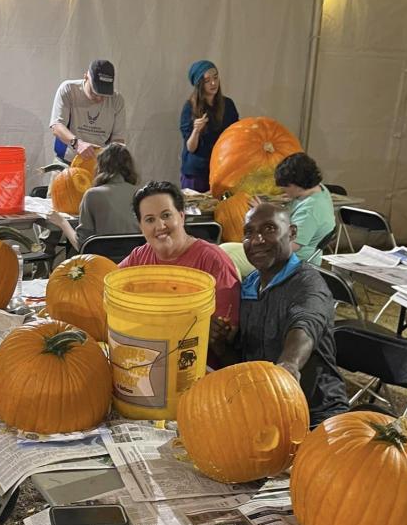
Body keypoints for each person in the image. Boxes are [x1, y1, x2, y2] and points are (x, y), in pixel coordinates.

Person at [211, 203, 348, 426]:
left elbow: (305, 324)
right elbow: (247, 365)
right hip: (263, 411)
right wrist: (221, 345)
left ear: (291, 232)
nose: (256, 240)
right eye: (249, 232)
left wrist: (289, 364)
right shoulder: (249, 286)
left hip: (314, 415)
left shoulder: (309, 284)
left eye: (269, 229)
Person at [120, 182, 241, 345]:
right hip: (143, 353)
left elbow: (226, 334)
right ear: (141, 227)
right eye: (150, 220)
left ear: (182, 216)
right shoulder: (138, 258)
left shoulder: (214, 260)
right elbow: (104, 287)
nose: (160, 226)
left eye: (166, 215)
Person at [46, 142, 140, 250]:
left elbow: (82, 246)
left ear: (100, 166)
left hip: (103, 262)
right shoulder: (140, 194)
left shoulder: (92, 195)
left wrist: (62, 222)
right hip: (137, 262)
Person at [179, 60, 239, 193]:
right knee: (196, 211)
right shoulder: (190, 108)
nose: (213, 83)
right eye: (207, 80)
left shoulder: (228, 104)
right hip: (197, 173)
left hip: (222, 170)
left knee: (222, 209)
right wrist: (196, 131)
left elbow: (236, 136)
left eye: (216, 77)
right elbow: (191, 147)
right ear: (199, 84)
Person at [50, 59, 126, 163]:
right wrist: (77, 144)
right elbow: (57, 126)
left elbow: (118, 139)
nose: (99, 98)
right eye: (95, 92)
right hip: (67, 162)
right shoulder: (68, 90)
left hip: (98, 165)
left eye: (104, 95)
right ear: (86, 77)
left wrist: (112, 161)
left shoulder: (117, 100)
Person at [273, 152, 336, 265]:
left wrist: (265, 218)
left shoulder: (310, 211)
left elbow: (290, 247)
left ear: (297, 185)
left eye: (286, 186)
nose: (283, 189)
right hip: (284, 251)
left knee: (233, 261)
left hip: (292, 263)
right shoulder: (318, 188)